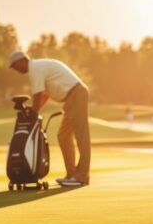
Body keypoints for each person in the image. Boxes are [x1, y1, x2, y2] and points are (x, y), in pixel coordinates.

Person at [9, 51, 91, 187]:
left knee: (82, 136)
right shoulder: (38, 68)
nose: (16, 70)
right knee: (63, 136)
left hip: (76, 94)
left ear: (22, 60)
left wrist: (33, 112)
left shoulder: (35, 68)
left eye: (15, 65)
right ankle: (72, 175)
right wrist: (33, 110)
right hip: (71, 99)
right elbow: (44, 96)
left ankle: (81, 176)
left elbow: (38, 94)